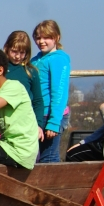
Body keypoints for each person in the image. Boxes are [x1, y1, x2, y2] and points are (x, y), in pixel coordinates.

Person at [31, 20, 71, 163]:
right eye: (38, 37)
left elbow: (59, 92)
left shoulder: (58, 59)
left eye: (46, 37)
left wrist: (54, 122)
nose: (41, 41)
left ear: (57, 38)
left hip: (50, 115)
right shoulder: (36, 59)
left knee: (49, 157)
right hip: (38, 113)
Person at [3, 30, 44, 139]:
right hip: (4, 120)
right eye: (14, 51)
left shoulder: (31, 71)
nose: (17, 56)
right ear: (7, 48)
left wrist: (39, 125)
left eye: (22, 53)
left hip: (25, 122)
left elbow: (38, 100)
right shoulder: (0, 69)